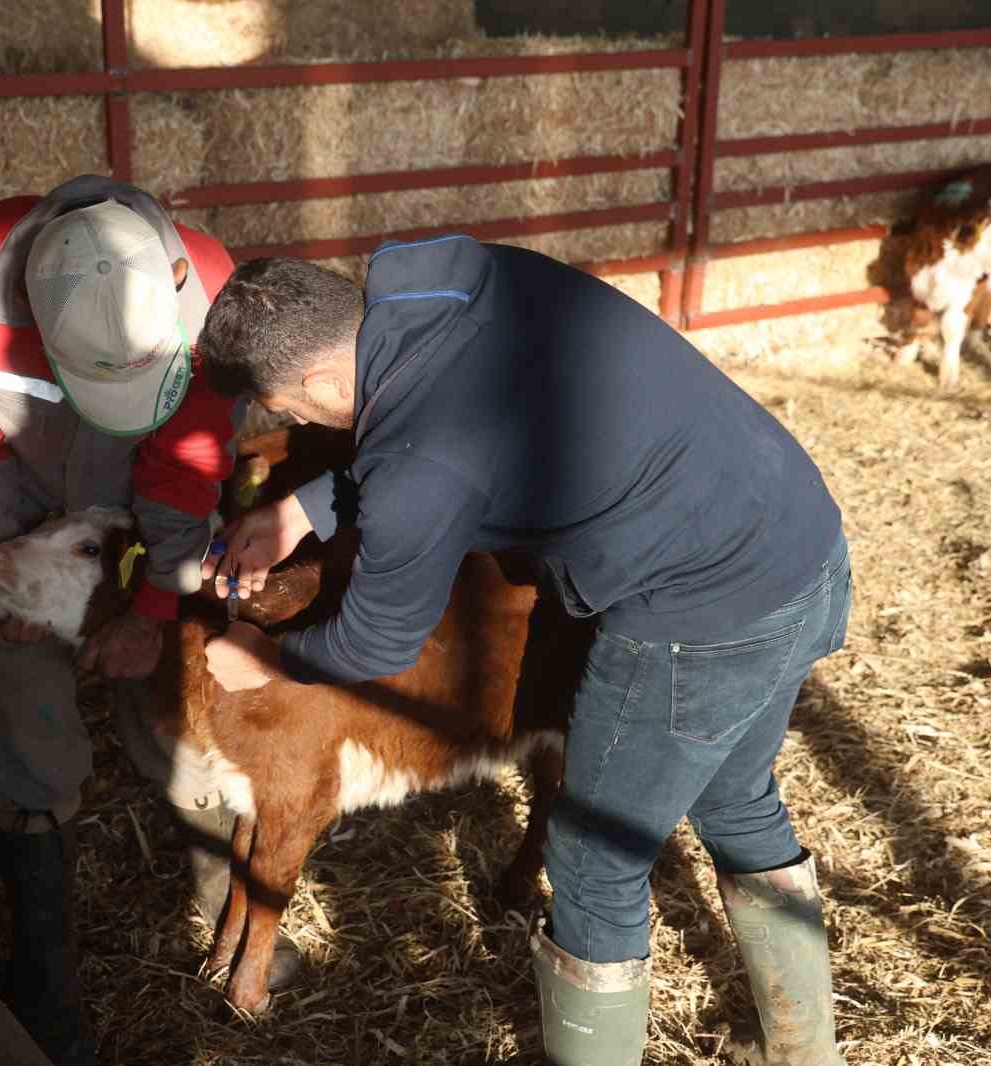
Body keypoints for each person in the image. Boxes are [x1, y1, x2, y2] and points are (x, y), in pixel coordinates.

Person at [196, 238, 852, 1066]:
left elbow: (378, 637)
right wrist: (300, 510)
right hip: (799, 539)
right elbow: (437, 428)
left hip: (701, 612)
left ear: (325, 381)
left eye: (289, 408)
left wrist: (269, 661)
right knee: (738, 799)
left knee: (592, 860)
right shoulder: (453, 281)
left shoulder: (417, 467)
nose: (294, 424)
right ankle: (805, 1052)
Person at [0, 175, 297, 1066]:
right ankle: (43, 963)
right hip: (10, 482)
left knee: (172, 665)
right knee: (26, 690)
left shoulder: (212, 287)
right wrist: (0, 578)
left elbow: (186, 464)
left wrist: (151, 605)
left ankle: (214, 878)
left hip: (135, 480)